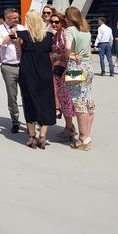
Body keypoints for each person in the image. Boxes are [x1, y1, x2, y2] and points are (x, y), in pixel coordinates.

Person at [16, 11, 55, 150]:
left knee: (29, 101)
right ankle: (42, 136)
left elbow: (18, 51)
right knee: (46, 102)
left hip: (28, 72)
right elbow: (52, 51)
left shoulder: (23, 35)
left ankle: (31, 137)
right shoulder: (49, 36)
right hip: (44, 72)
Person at [65, 7, 95, 151]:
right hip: (88, 67)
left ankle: (82, 138)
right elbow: (89, 51)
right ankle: (87, 135)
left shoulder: (70, 30)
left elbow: (67, 46)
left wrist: (69, 55)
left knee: (78, 101)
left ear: (69, 18)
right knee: (88, 99)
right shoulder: (86, 31)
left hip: (75, 68)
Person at [0, 8, 26, 133]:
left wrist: (19, 40)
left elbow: (27, 43)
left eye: (18, 17)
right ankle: (15, 121)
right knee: (12, 96)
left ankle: (29, 121)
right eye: (14, 18)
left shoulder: (22, 28)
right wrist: (10, 35)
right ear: (7, 18)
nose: (17, 20)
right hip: (8, 67)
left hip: (23, 65)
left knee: (27, 95)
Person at [49, 11, 76, 140]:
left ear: (62, 22)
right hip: (58, 71)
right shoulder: (56, 35)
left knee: (68, 99)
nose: (54, 24)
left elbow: (69, 52)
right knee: (64, 98)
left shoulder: (65, 34)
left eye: (56, 22)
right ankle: (69, 127)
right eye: (52, 22)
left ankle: (70, 128)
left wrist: (56, 56)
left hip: (68, 71)